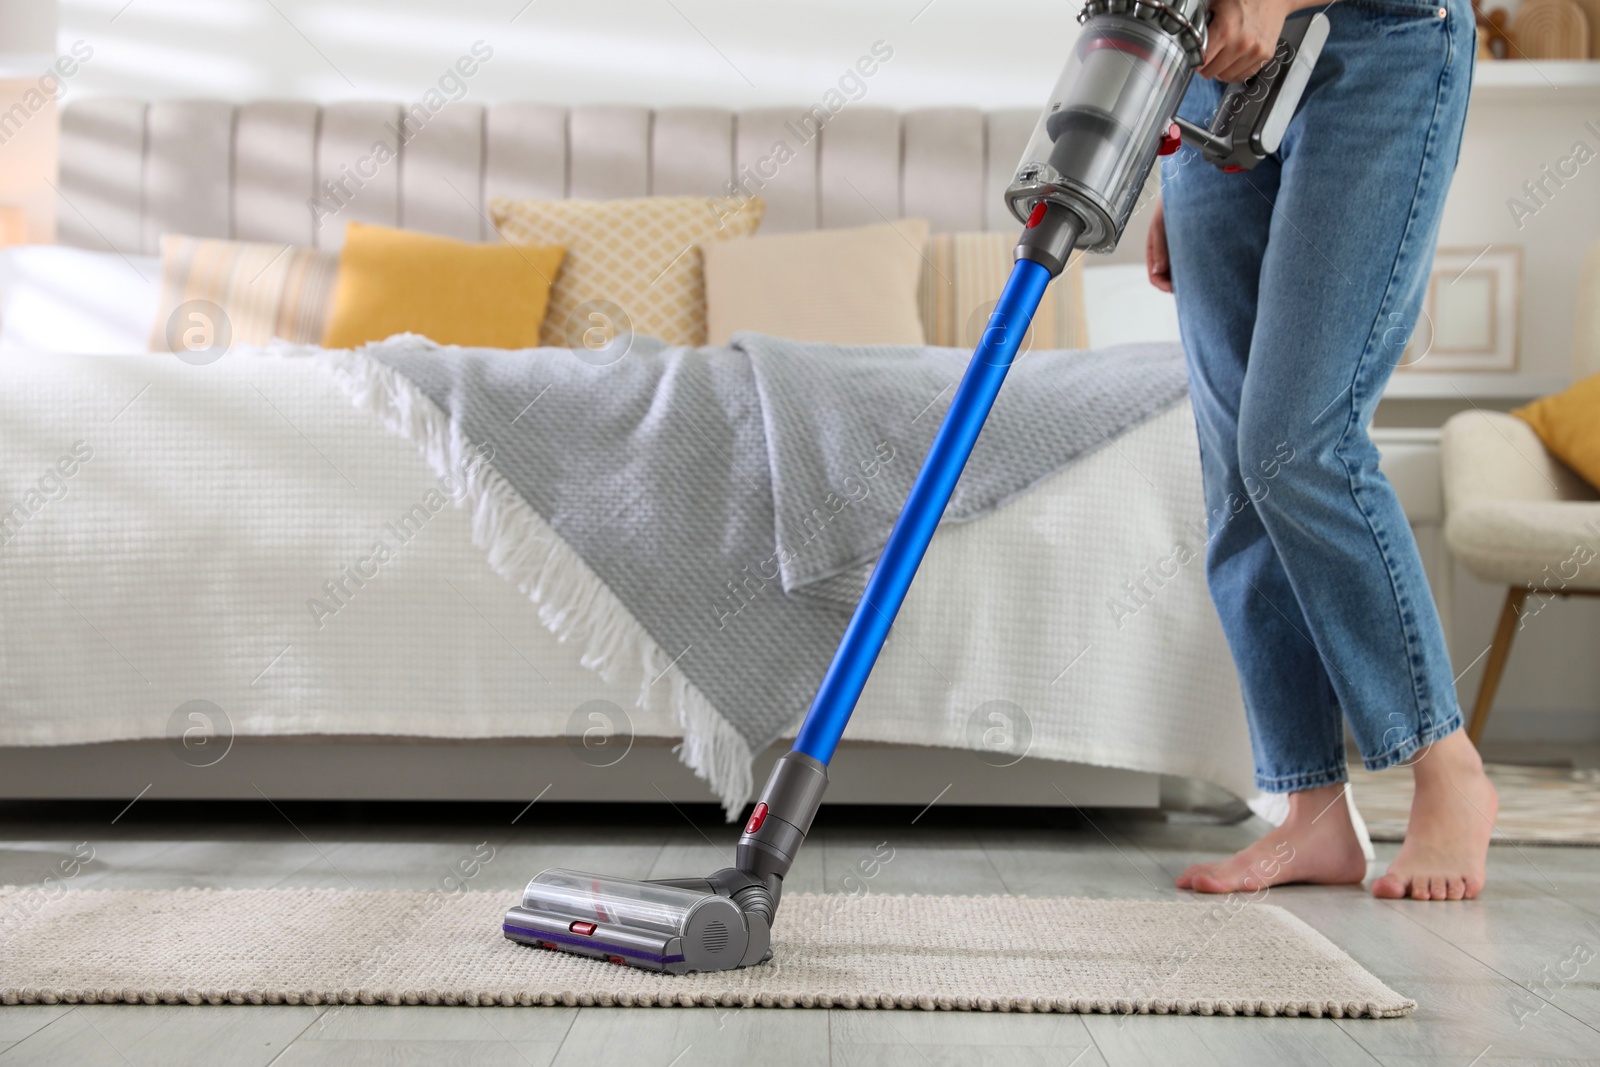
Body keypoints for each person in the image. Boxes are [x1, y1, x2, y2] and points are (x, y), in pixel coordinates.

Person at [1147, 0, 1497, 900]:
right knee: (1237, 470)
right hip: (1210, 72)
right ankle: (1310, 812)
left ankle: (1444, 762)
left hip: (1380, 37)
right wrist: (1166, 154)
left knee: (1297, 444)